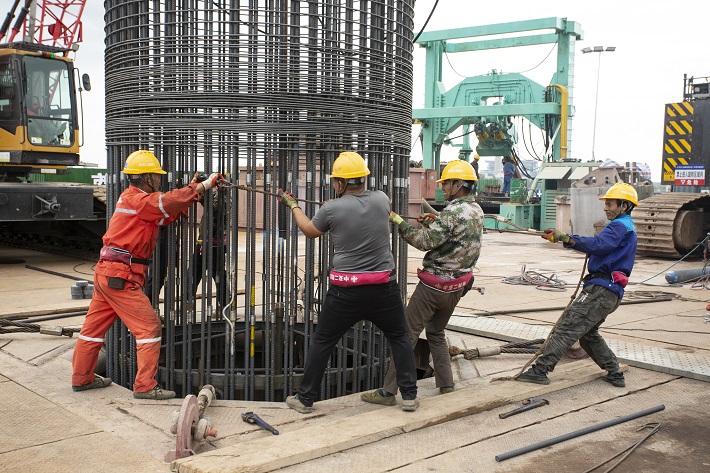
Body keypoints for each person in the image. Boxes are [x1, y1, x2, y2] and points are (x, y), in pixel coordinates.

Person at [71, 149, 224, 399]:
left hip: (107, 273)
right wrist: (204, 186)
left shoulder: (131, 199)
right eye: (156, 176)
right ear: (146, 177)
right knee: (150, 328)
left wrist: (191, 192)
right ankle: (145, 386)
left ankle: (82, 377)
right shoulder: (140, 201)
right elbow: (166, 203)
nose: (159, 180)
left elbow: (164, 215)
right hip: (121, 276)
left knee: (92, 329)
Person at [277, 151, 419, 413]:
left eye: (335, 181)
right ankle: (409, 395)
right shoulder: (382, 199)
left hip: (346, 292)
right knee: (399, 337)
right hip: (383, 288)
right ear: (364, 178)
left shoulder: (331, 208)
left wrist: (293, 205)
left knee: (323, 341)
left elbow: (309, 231)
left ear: (341, 183)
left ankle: (305, 399)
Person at [361, 160, 483, 405]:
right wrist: (434, 222)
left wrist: (399, 224)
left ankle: (388, 392)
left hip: (433, 288)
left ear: (458, 184)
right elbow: (452, 235)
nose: (444, 188)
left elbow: (424, 242)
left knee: (406, 336)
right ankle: (447, 384)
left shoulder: (452, 212)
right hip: (457, 287)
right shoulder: (476, 210)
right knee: (436, 333)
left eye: (447, 184)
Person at [516, 182, 638, 388]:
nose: (606, 208)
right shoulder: (625, 227)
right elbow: (602, 246)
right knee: (588, 335)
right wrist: (567, 239)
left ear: (624, 206)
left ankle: (540, 370)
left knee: (567, 327)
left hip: (601, 289)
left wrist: (567, 238)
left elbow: (600, 245)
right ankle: (614, 372)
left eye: (610, 204)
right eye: (606, 204)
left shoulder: (619, 226)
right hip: (610, 291)